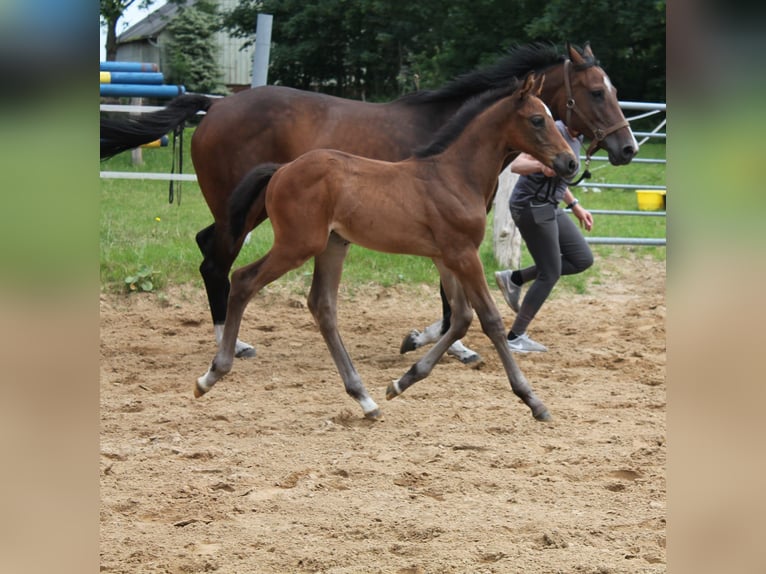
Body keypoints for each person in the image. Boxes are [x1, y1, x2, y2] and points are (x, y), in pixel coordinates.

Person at [494, 120, 594, 353]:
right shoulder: (553, 131)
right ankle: (515, 336)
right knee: (550, 272)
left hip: (550, 205)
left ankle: (515, 278)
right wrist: (540, 166)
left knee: (582, 259)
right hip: (530, 206)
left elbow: (562, 172)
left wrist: (575, 205)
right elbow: (516, 164)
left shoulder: (576, 138)